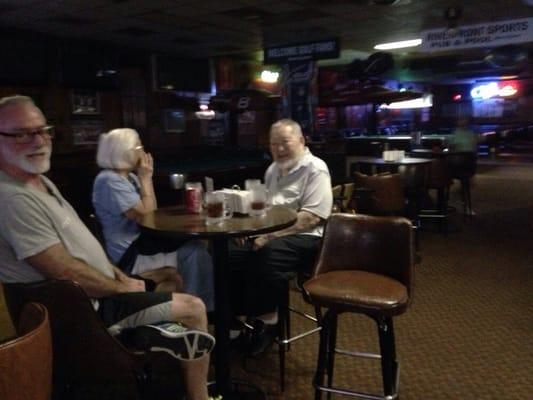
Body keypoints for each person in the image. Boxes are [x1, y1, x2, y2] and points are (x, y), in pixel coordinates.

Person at [0, 95, 214, 400]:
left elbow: (85, 250)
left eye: (42, 130)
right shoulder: (12, 197)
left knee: (172, 277)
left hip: (100, 293)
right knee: (194, 307)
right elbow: (63, 270)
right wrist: (121, 288)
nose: (38, 140)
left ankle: (151, 338)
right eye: (21, 133)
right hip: (88, 312)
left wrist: (118, 277)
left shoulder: (39, 182)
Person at [230, 118, 333, 356]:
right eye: (273, 144)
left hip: (309, 239)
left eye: (285, 142)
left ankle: (268, 321)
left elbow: (312, 217)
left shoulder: (315, 168)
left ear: (301, 140)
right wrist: (249, 230)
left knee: (266, 255)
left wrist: (268, 236)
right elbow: (264, 210)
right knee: (228, 252)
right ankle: (234, 324)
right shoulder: (273, 169)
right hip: (272, 234)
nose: (279, 149)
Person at [92, 128, 214, 311]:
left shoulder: (129, 178)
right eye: (138, 146)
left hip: (144, 244)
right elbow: (146, 217)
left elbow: (153, 212)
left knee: (197, 246)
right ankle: (202, 311)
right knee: (193, 250)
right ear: (124, 151)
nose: (143, 151)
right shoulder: (109, 180)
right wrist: (146, 178)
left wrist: (143, 179)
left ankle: (201, 309)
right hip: (130, 253)